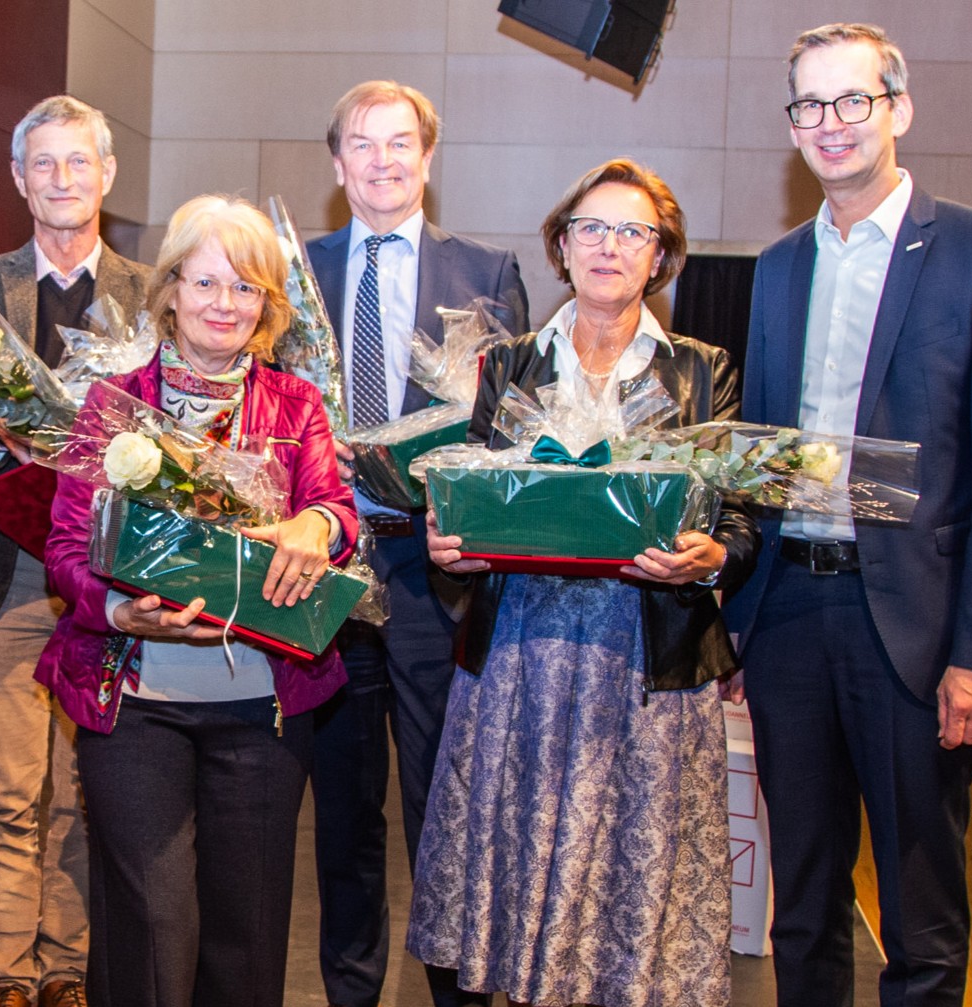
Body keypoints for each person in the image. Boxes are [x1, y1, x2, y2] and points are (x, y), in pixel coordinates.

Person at [726, 23, 972, 1006]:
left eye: (852, 100)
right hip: (788, 617)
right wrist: (740, 618)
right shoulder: (779, 265)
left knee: (920, 918)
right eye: (810, 106)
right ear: (792, 127)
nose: (831, 124)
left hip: (912, 627)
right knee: (802, 909)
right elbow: (765, 458)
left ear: (897, 109)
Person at [413, 159, 760, 1007]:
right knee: (507, 866)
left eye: (632, 231)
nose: (610, 246)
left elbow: (741, 521)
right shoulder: (509, 365)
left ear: (661, 256)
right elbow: (478, 500)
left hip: (647, 662)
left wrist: (709, 557)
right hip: (519, 659)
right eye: (590, 228)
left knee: (627, 892)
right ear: (561, 249)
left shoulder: (701, 369)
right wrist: (450, 547)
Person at [38, 194, 359, 1007]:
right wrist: (117, 611)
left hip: (262, 707)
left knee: (245, 935)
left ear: (267, 305)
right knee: (152, 920)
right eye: (207, 282)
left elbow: (339, 511)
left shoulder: (296, 406)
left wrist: (316, 524)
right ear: (170, 290)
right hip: (135, 700)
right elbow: (67, 549)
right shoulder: (113, 406)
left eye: (245, 288)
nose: (225, 304)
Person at [302, 80, 528, 1007]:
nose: (383, 161)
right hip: (321, 571)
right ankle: (350, 995)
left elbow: (513, 429)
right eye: (363, 143)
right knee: (343, 818)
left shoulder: (487, 273)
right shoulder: (290, 268)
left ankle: (456, 994)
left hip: (435, 573)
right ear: (337, 162)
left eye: (401, 144)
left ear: (428, 157)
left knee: (445, 811)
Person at [0, 94, 150, 1007]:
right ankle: (6, 970)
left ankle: (69, 964)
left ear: (106, 174)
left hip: (111, 572)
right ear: (19, 178)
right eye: (43, 165)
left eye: (78, 163)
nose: (62, 180)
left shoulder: (151, 290)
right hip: (5, 564)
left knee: (85, 788)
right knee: (4, 789)